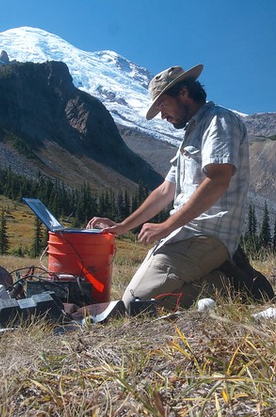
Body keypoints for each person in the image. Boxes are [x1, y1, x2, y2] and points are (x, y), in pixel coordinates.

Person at [87, 63, 250, 311]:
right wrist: (121, 227)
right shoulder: (190, 134)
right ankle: (217, 276)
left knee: (136, 305)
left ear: (183, 93)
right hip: (183, 234)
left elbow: (219, 179)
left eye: (162, 104)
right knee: (133, 301)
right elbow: (166, 190)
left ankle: (225, 283)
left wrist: (166, 225)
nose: (162, 115)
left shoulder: (219, 121)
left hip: (207, 234)